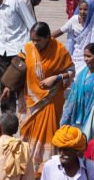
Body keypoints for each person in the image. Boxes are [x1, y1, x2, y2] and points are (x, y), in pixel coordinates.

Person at [17, 21, 75, 170]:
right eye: (33, 40)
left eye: (38, 40)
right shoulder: (28, 48)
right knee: (26, 132)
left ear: (48, 37)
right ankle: (26, 165)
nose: (35, 43)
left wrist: (56, 78)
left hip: (51, 100)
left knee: (48, 134)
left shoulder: (60, 51)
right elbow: (18, 67)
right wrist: (9, 87)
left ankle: (44, 168)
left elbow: (71, 71)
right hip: (29, 100)